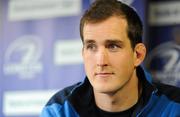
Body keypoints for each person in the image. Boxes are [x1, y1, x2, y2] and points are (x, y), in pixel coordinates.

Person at [40, 0, 180, 116]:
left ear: (138, 55)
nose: (101, 61)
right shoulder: (59, 111)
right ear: (83, 54)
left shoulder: (175, 107)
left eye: (113, 46)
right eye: (91, 47)